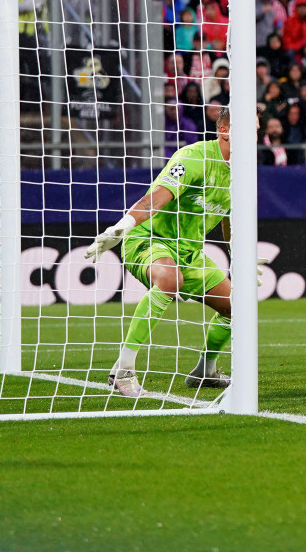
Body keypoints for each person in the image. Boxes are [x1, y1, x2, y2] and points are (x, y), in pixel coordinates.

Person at [84, 107, 244, 397]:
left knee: (237, 305)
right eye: (251, 129)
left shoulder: (242, 172)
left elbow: (228, 218)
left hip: (189, 251)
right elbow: (155, 198)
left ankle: (205, 371)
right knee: (170, 280)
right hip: (148, 238)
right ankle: (123, 370)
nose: (257, 136)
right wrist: (122, 226)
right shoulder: (193, 158)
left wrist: (239, 255)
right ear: (225, 132)